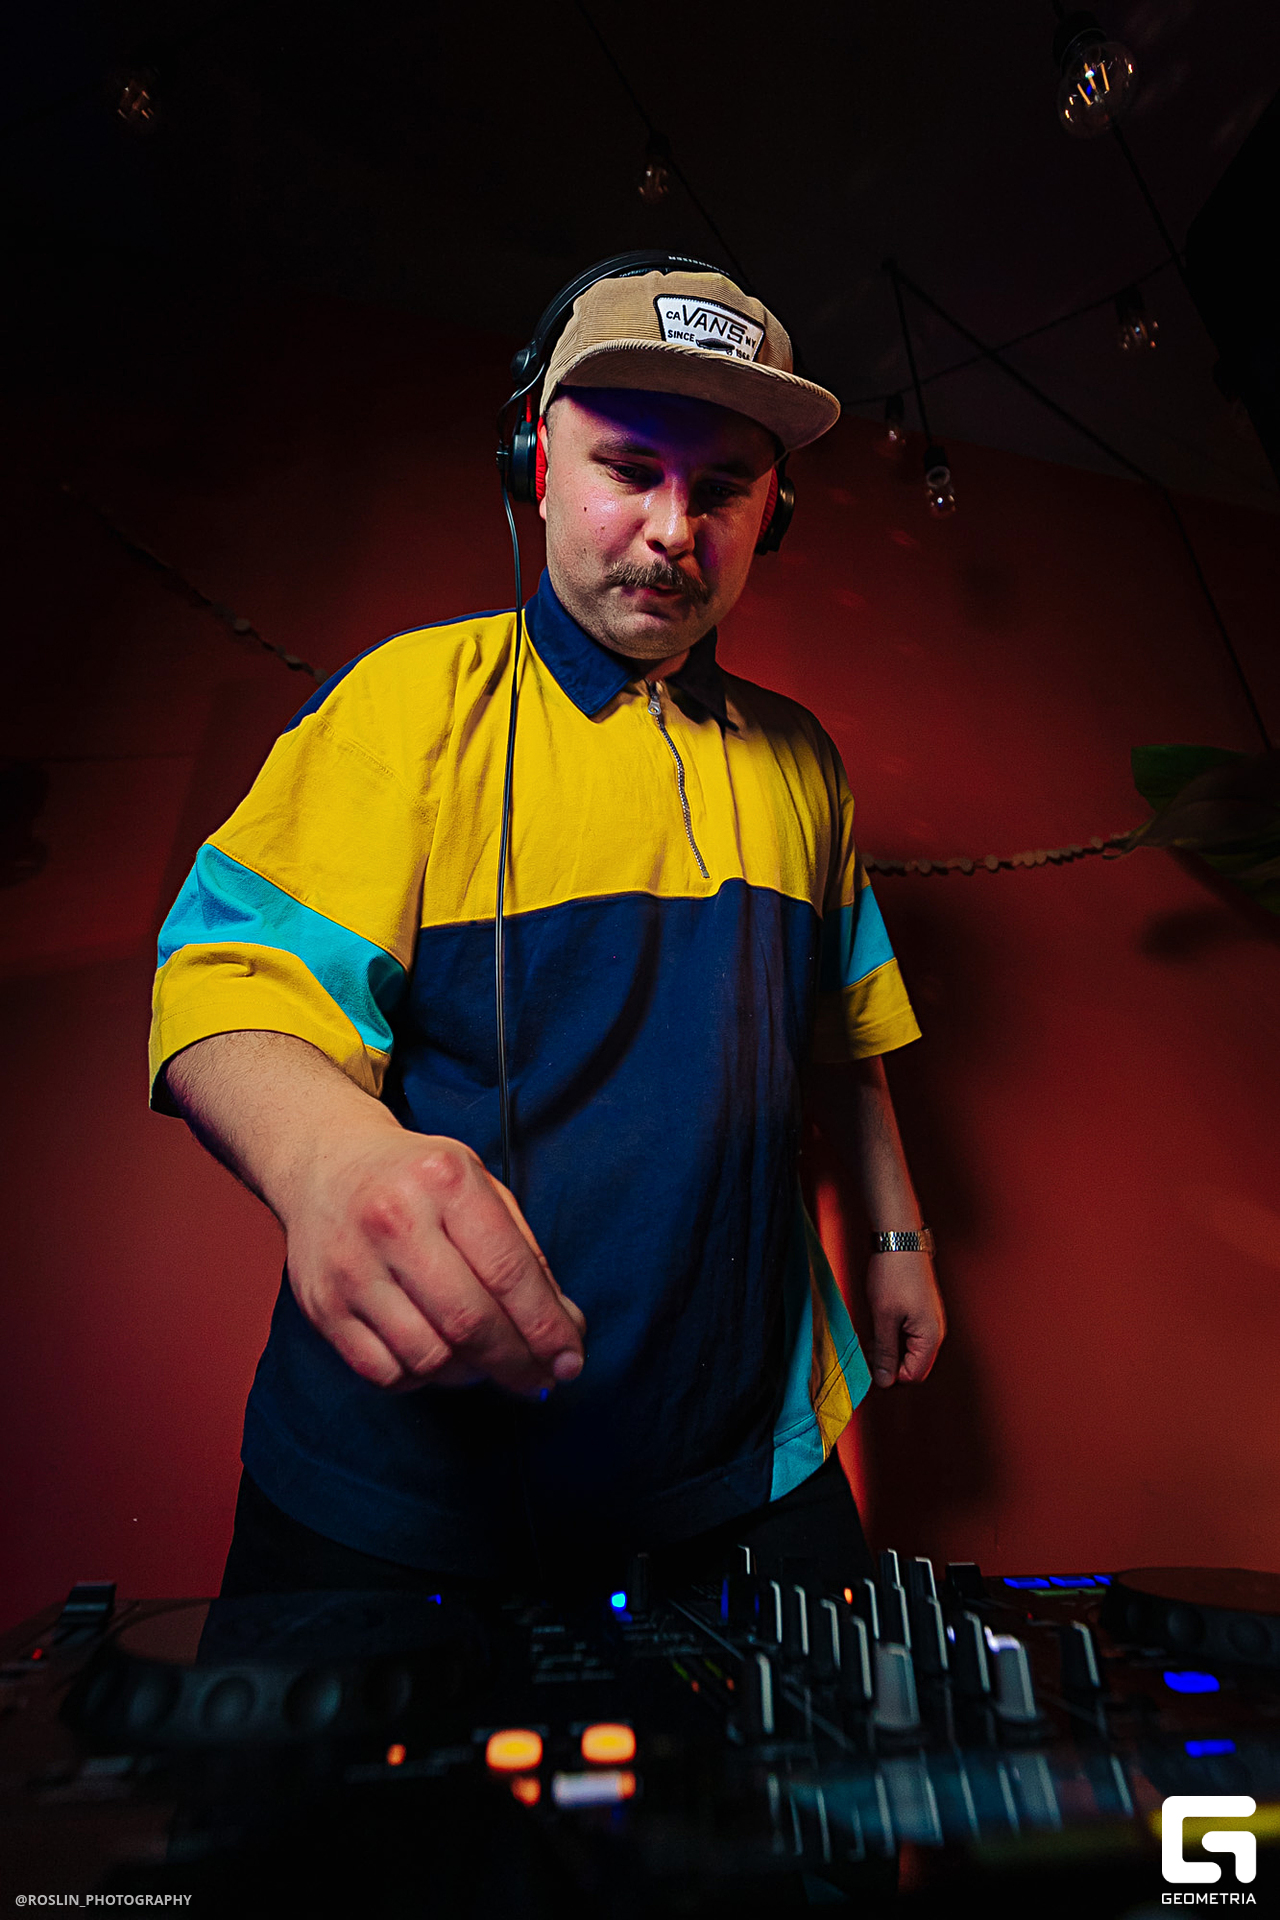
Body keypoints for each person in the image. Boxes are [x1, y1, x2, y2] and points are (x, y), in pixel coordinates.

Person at [149, 262, 946, 1600]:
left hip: (753, 1453)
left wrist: (897, 1237)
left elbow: (842, 1032)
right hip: (408, 1489)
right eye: (628, 469)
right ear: (534, 461)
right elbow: (228, 985)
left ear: (775, 513)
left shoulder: (806, 760)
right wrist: (329, 1161)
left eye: (724, 489)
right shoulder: (406, 705)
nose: (674, 529)